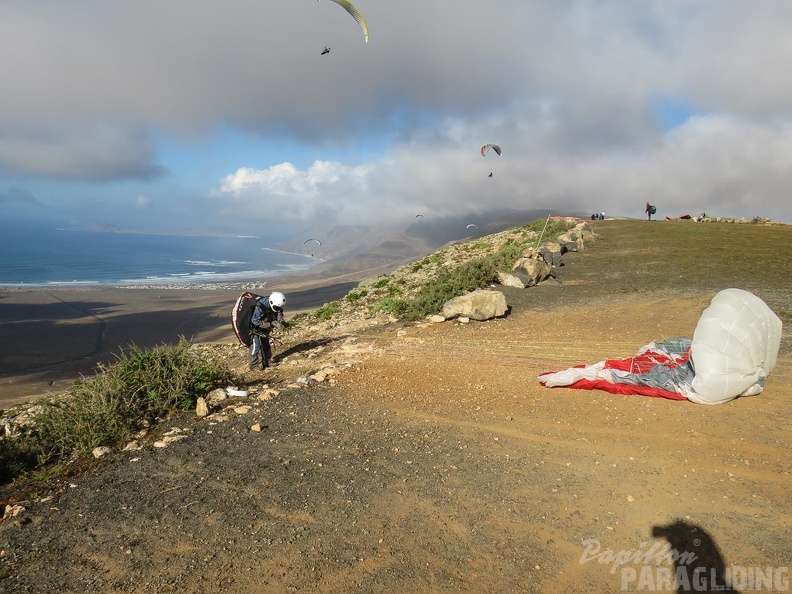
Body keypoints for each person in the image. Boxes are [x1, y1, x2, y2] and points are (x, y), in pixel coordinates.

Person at [248, 291, 286, 370]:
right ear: (271, 302)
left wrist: (282, 321)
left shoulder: (276, 305)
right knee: (256, 345)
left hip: (265, 328)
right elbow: (254, 320)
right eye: (276, 307)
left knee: (266, 344)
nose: (277, 309)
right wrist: (268, 325)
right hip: (255, 328)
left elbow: (279, 313)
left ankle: (267, 362)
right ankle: (254, 366)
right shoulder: (261, 307)